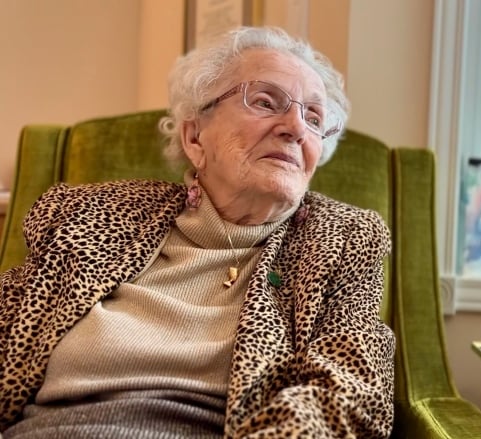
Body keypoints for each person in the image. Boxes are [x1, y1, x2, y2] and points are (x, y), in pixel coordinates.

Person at [0, 26, 394, 438]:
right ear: (194, 137)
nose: (295, 127)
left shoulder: (341, 241)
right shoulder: (88, 217)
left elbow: (351, 390)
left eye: (314, 118)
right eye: (265, 101)